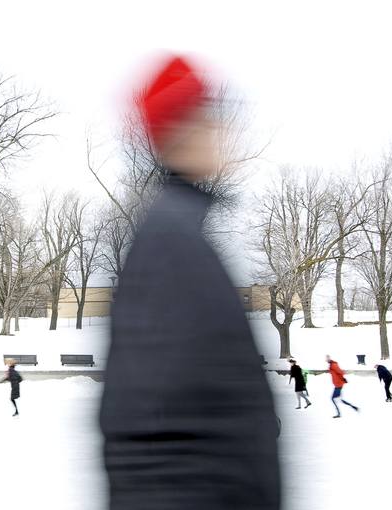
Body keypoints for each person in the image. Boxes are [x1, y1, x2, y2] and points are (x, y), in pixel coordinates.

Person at [99, 55, 280, 509]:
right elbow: (152, 427)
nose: (221, 129)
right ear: (182, 130)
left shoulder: (178, 233)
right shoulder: (170, 242)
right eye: (210, 115)